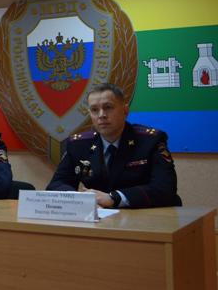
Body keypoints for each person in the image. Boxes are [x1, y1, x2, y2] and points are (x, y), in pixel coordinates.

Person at [46, 83, 181, 208]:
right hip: (100, 218)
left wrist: (114, 198)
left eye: (108, 107)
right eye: (94, 110)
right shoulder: (78, 144)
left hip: (145, 216)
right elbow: (56, 185)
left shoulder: (150, 141)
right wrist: (81, 199)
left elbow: (165, 189)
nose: (101, 115)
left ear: (125, 111)